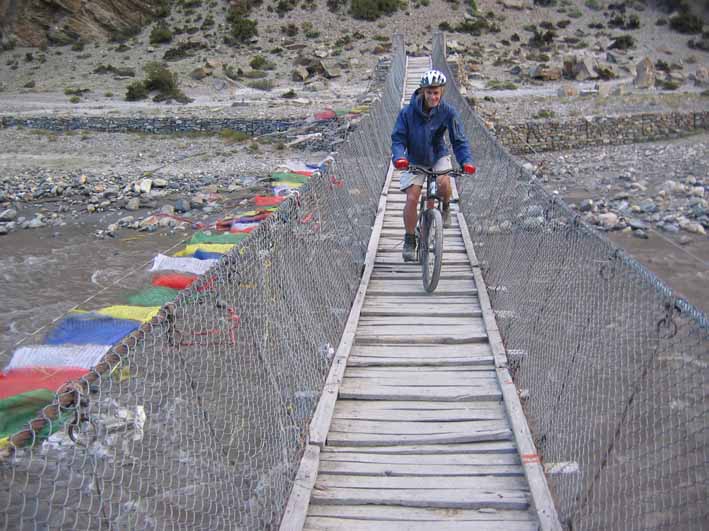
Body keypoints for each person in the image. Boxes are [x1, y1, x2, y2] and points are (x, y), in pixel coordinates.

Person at [391, 69, 476, 262]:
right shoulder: (407, 113)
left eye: (436, 92)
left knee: (443, 184)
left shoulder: (448, 112)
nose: (432, 96)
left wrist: (466, 162)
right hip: (414, 158)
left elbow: (459, 141)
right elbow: (398, 139)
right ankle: (410, 238)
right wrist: (399, 158)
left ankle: (445, 207)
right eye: (429, 92)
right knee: (412, 198)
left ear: (441, 93)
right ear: (422, 91)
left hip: (438, 155)